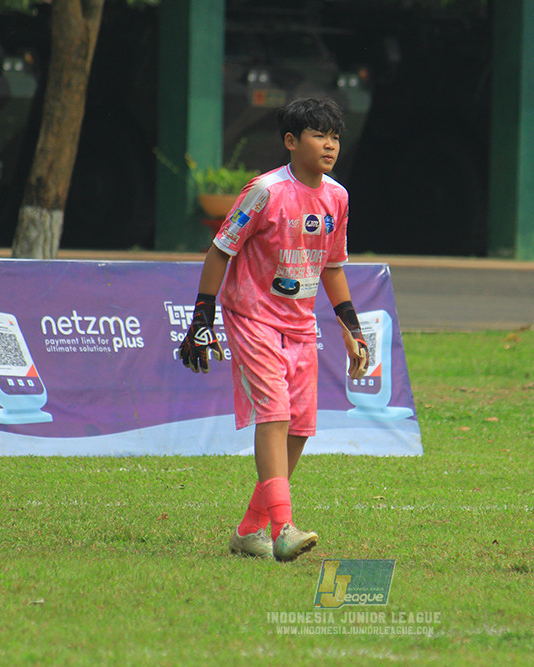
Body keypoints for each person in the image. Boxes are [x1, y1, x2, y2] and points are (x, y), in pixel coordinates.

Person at [178, 98, 369, 562]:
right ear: (290, 141)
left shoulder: (338, 197)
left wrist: (351, 327)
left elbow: (333, 266)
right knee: (275, 415)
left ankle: (249, 531)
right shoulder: (264, 192)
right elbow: (220, 250)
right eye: (319, 135)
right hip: (253, 319)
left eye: (336, 136)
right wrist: (202, 316)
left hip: (301, 326)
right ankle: (283, 528)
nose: (330, 145)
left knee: (300, 430)